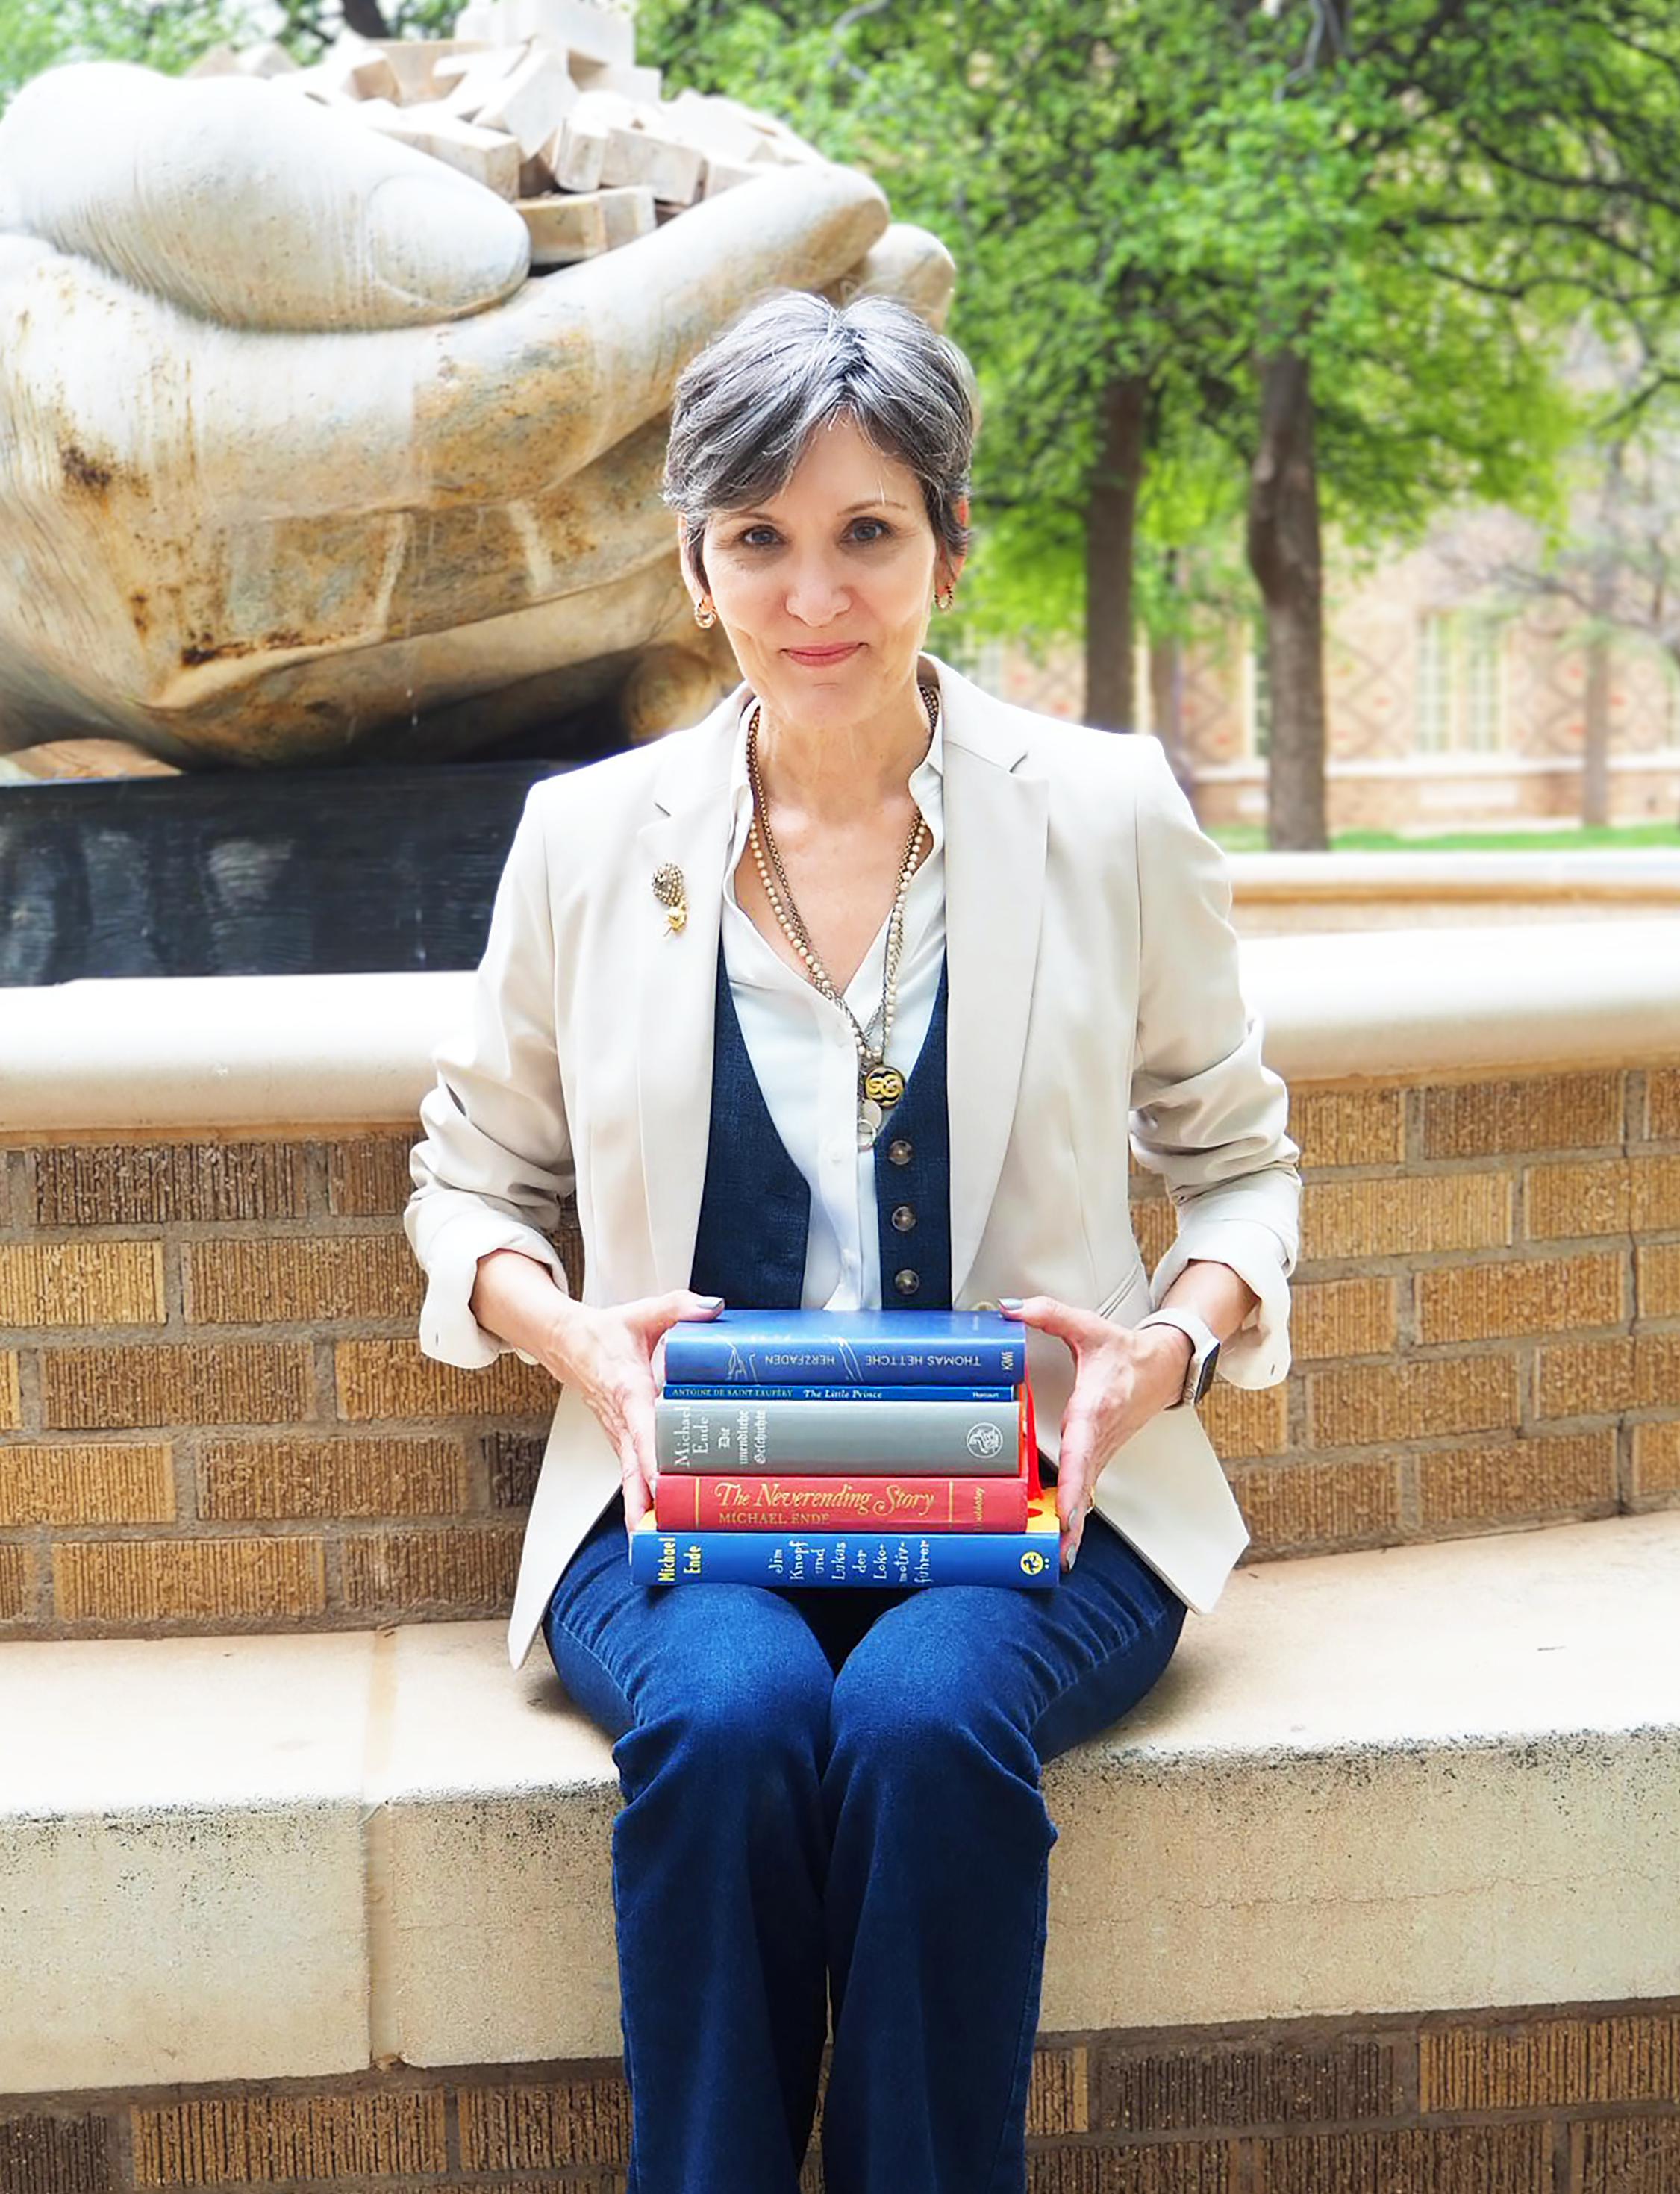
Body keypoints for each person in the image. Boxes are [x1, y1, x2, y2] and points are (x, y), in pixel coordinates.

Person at [405, 290, 1300, 2194]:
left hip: (1044, 1502)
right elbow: (468, 1180)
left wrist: (1170, 1351)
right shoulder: (585, 839)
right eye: (762, 540)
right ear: (693, 560)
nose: (816, 595)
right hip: (677, 1512)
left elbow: (1240, 1170)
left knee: (915, 1723)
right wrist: (575, 1346)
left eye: (869, 532)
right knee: (729, 1728)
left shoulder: (1109, 816)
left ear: (950, 548)